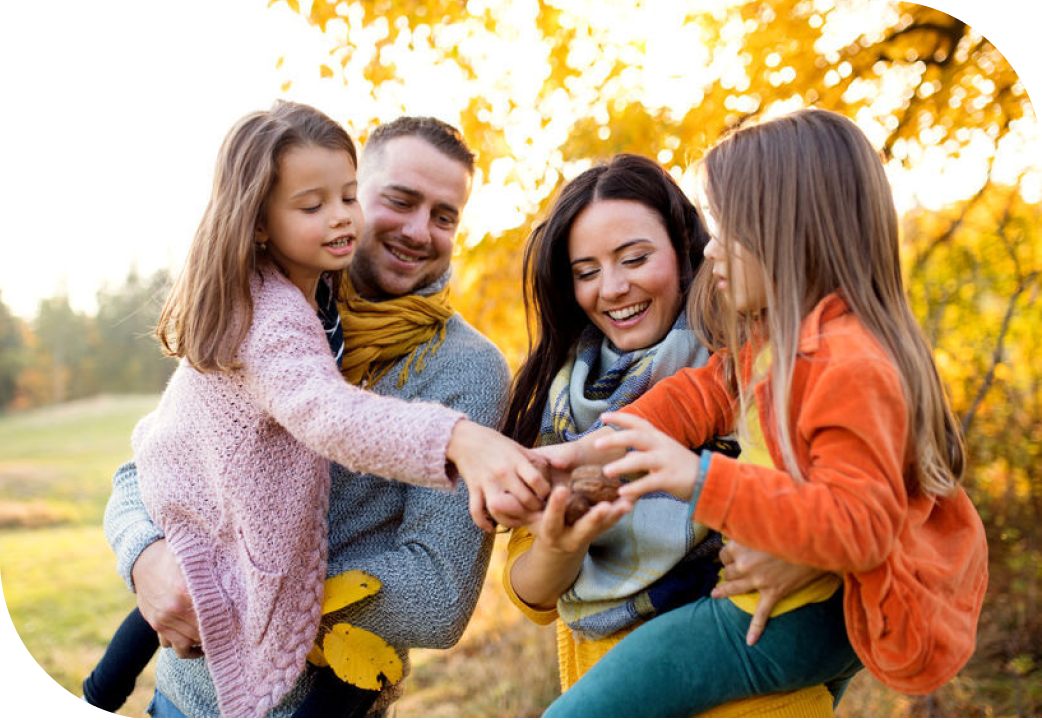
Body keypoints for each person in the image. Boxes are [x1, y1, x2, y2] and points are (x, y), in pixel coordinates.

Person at [93, 102, 548, 718]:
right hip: (186, 691)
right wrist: (145, 554)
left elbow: (438, 599)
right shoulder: (265, 303)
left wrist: (249, 586)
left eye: (445, 216)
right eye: (401, 199)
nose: (419, 230)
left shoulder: (466, 367)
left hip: (317, 699)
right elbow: (164, 459)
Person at [534, 108, 989, 717]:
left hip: (796, 616)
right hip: (790, 605)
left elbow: (861, 524)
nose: (712, 248)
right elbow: (700, 394)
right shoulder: (782, 345)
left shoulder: (848, 363)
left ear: (790, 234)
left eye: (729, 229)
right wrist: (587, 448)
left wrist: (698, 479)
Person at [500, 153, 776, 702]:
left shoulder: (754, 358)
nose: (612, 288)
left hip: (753, 691)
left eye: (634, 258)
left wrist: (792, 548)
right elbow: (530, 595)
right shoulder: (563, 401)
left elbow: (852, 499)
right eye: (587, 272)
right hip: (602, 682)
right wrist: (560, 546)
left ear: (681, 251)